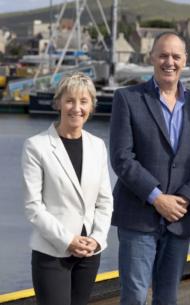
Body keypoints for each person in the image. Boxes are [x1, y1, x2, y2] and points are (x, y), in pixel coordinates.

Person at [109, 31, 190, 305]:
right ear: (152, 58)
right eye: (163, 55)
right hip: (137, 218)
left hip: (180, 218)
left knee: (167, 299)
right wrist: (157, 198)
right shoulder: (127, 98)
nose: (169, 62)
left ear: (185, 60)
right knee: (133, 298)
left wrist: (184, 199)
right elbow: (122, 157)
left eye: (176, 56)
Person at [21, 72, 113, 305]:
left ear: (91, 106)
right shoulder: (36, 146)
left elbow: (104, 201)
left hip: (90, 253)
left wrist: (98, 239)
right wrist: (68, 240)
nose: (76, 108)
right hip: (52, 253)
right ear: (58, 102)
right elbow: (33, 207)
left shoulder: (98, 146)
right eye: (70, 100)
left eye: (84, 101)